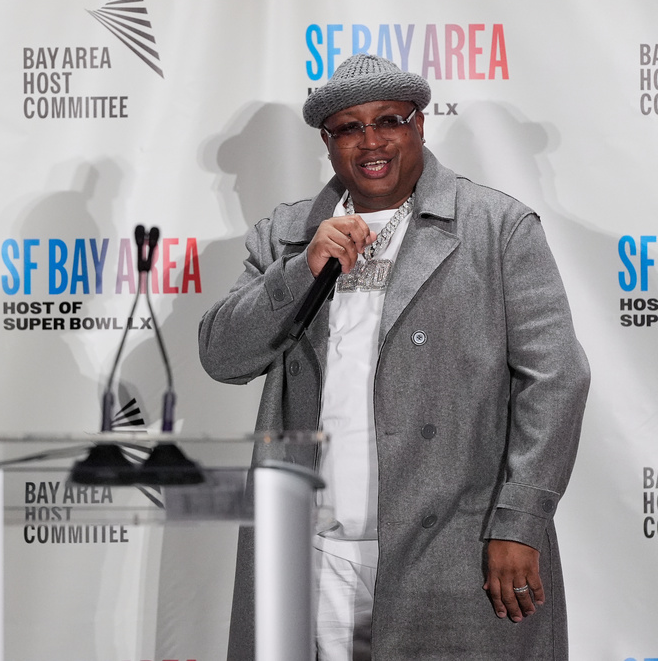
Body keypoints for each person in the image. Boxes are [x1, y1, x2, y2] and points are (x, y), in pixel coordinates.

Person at [199, 54, 589, 660]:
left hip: (452, 548)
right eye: (349, 128)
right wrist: (298, 271)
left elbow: (557, 378)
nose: (371, 141)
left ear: (420, 125)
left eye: (390, 120)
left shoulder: (497, 226)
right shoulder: (285, 236)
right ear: (328, 143)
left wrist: (520, 519)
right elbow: (223, 357)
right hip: (312, 553)